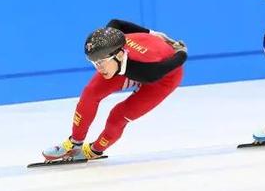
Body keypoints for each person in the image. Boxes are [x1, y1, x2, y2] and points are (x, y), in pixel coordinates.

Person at [42, 19, 187, 161]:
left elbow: (163, 68)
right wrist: (152, 33)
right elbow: (116, 22)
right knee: (90, 93)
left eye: (102, 62)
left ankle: (95, 150)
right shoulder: (109, 41)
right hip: (131, 59)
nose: (99, 68)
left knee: (118, 116)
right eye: (95, 62)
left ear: (118, 55)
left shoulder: (147, 72)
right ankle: (75, 143)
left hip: (165, 76)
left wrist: (181, 53)